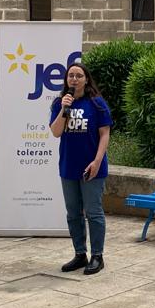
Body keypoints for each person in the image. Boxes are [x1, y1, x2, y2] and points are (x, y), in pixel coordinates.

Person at [49, 62, 112, 274]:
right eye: (71, 76)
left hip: (92, 167)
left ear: (86, 79)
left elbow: (105, 134)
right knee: (73, 213)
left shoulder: (97, 103)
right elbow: (56, 132)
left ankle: (97, 256)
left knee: (93, 212)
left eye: (79, 75)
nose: (74, 79)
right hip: (68, 165)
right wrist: (64, 109)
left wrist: (97, 161)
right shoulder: (60, 103)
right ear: (66, 80)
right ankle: (79, 254)